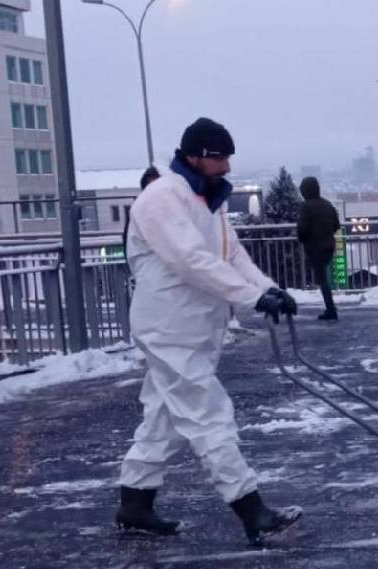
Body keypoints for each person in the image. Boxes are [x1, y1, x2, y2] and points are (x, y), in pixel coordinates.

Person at [115, 117, 303, 546]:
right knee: (208, 415)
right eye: (219, 157)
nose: (227, 167)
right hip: (168, 328)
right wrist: (250, 298)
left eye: (228, 157)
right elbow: (191, 260)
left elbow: (232, 256)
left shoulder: (206, 202)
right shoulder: (161, 198)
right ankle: (251, 510)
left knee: (165, 417)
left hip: (196, 327)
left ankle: (134, 504)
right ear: (195, 155)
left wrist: (270, 289)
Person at [295, 176, 342, 321]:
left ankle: (331, 309)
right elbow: (336, 225)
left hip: (315, 246)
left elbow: (302, 229)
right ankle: (330, 308)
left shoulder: (306, 206)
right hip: (329, 245)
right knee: (323, 278)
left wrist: (304, 239)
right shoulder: (327, 204)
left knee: (322, 279)